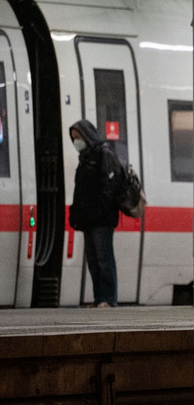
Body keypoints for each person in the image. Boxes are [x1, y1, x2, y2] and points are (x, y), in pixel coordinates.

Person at [69, 120, 121, 307]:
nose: (76, 142)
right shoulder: (85, 158)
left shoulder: (103, 154)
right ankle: (100, 298)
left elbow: (109, 187)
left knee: (104, 260)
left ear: (87, 135)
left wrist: (100, 210)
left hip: (101, 219)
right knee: (93, 261)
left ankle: (108, 299)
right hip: (88, 220)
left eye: (78, 137)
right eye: (73, 138)